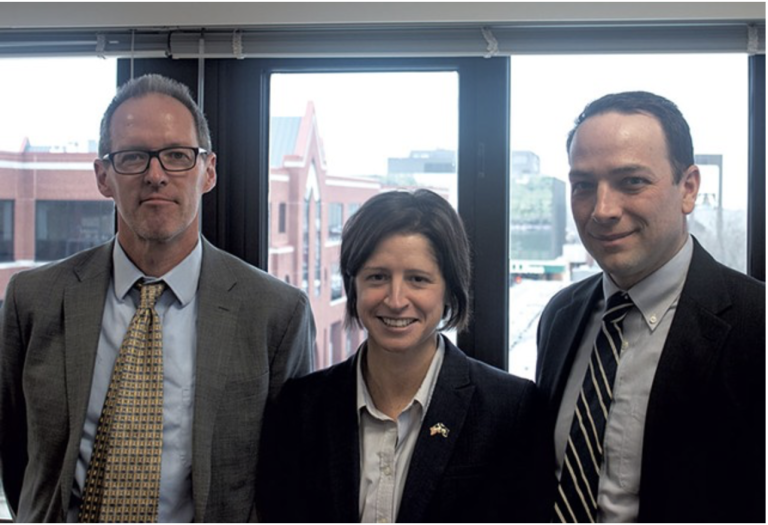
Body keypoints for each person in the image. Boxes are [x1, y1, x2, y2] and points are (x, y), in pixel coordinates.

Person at [0, 74, 315, 522]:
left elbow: (287, 475)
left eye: (177, 156)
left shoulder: (276, 314)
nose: (155, 175)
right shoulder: (32, 300)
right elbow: (19, 458)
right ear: (103, 177)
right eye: (132, 156)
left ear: (208, 171)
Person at [536, 91, 765, 523]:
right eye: (583, 185)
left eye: (632, 182)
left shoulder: (758, 325)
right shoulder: (560, 314)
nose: (602, 210)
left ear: (688, 189)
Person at [258, 188, 552, 523]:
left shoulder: (509, 410)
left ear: (449, 290)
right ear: (354, 286)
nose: (396, 300)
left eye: (417, 279)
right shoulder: (300, 407)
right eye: (377, 277)